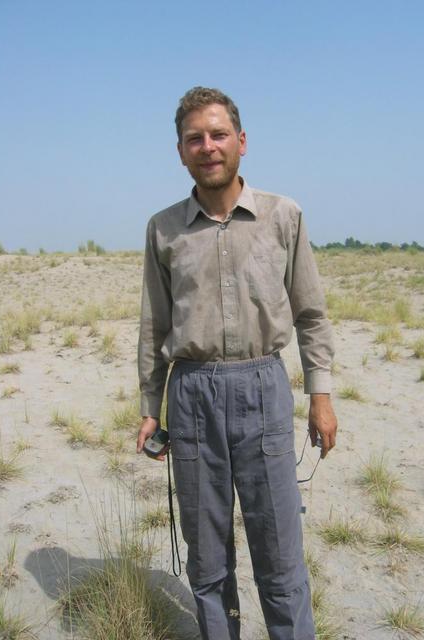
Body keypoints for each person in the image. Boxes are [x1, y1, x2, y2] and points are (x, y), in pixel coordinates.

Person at [136, 86, 337, 640]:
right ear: (180, 151)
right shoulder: (163, 228)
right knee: (206, 558)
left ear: (241, 142)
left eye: (218, 134)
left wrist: (320, 396)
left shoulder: (283, 216)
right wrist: (150, 408)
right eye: (194, 138)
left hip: (264, 387)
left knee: (280, 553)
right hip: (192, 394)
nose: (208, 146)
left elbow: (311, 315)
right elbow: (154, 325)